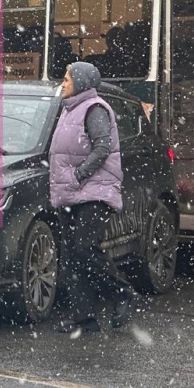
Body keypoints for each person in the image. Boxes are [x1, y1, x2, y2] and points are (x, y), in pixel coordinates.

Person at [48, 61, 133, 334]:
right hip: (71, 194)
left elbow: (102, 147)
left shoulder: (95, 109)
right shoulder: (68, 109)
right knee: (72, 256)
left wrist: (78, 175)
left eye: (67, 79)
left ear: (82, 83)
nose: (63, 84)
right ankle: (84, 317)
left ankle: (122, 292)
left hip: (93, 192)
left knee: (85, 248)